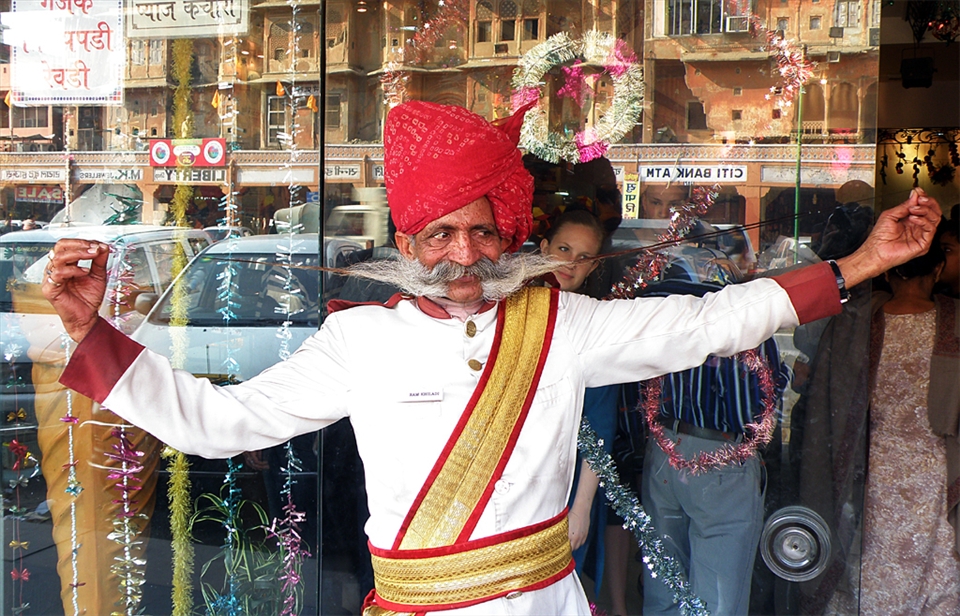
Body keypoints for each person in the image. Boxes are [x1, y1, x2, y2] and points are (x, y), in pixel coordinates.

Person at [41, 101, 940, 615]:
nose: (464, 257)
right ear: (406, 237)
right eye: (440, 235)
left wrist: (860, 266)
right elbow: (218, 422)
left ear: (509, 232)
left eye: (481, 232)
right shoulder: (362, 340)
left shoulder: (563, 323)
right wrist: (94, 336)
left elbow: (710, 323)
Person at [638, 274, 789, 616]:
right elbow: (750, 412)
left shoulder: (668, 311)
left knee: (664, 583)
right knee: (718, 594)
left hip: (664, 445)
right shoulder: (744, 324)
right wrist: (786, 377)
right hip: (719, 456)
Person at [538, 209, 624, 613]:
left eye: (584, 256)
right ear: (543, 249)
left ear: (594, 266)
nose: (570, 264)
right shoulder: (506, 312)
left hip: (569, 486)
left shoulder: (596, 325)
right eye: (563, 249)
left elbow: (600, 426)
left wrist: (582, 506)